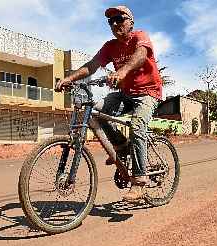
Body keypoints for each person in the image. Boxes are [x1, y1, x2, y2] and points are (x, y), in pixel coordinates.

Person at [55, 5, 163, 201]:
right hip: (125, 93)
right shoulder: (110, 46)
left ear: (130, 21)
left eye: (119, 19)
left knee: (137, 126)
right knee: (95, 111)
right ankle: (121, 146)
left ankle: (139, 180)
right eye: (110, 21)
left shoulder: (140, 36)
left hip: (148, 92)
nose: (114, 24)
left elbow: (141, 56)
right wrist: (70, 78)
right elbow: (92, 65)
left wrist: (122, 71)